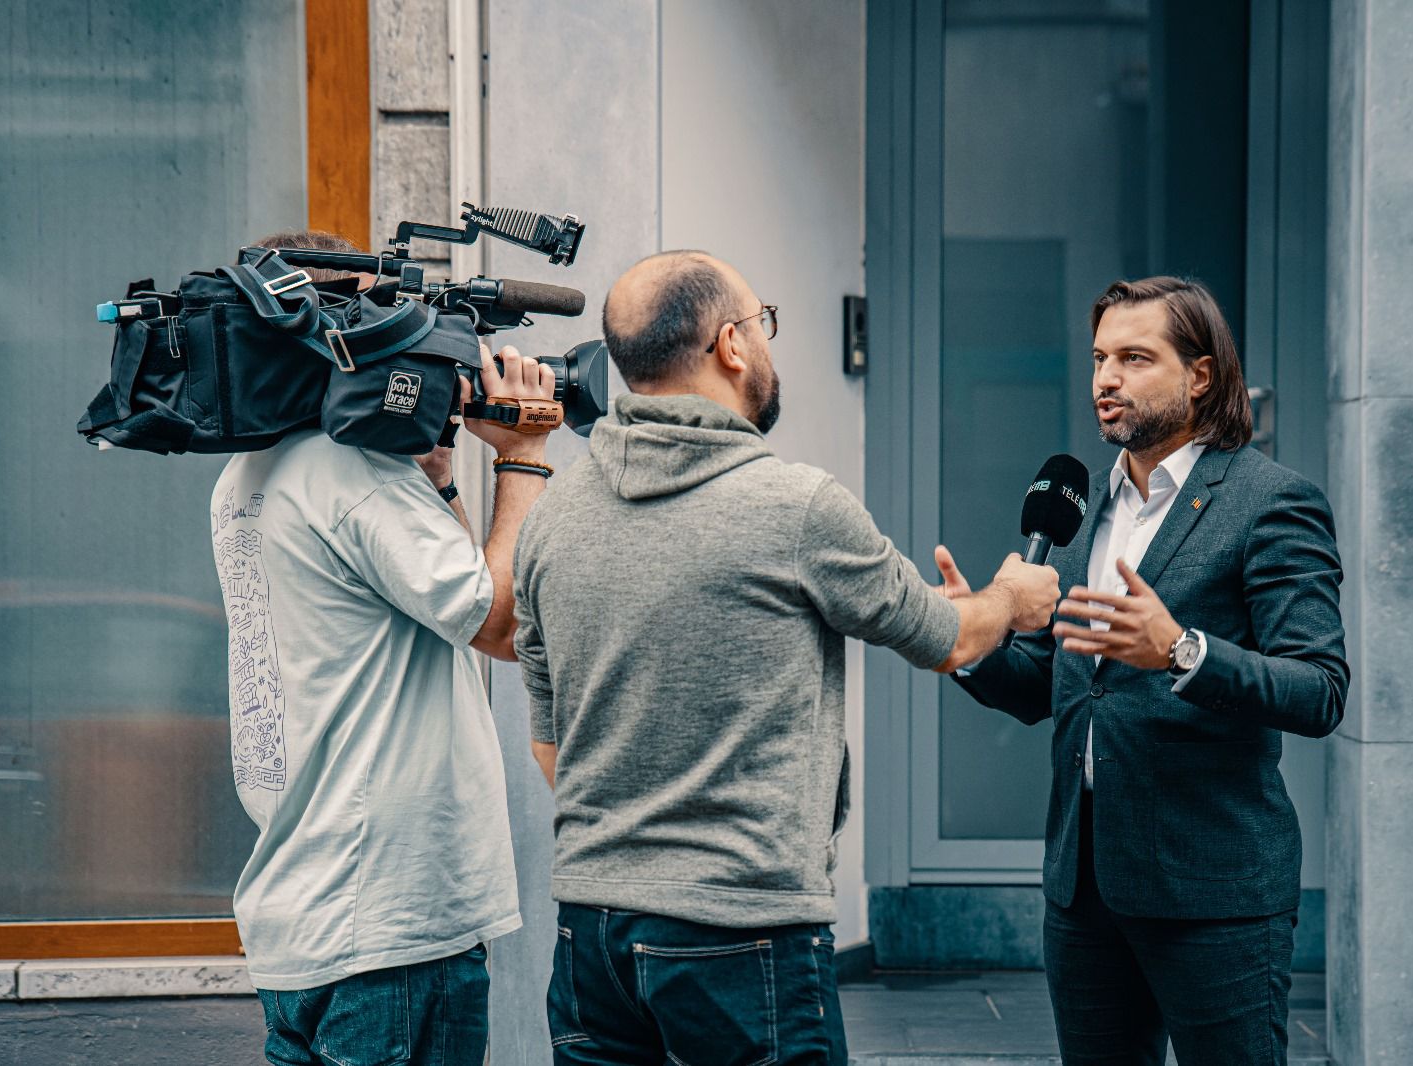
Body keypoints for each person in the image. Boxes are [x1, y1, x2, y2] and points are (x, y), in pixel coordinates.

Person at [511, 250, 1062, 1063]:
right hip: (744, 932)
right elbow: (949, 642)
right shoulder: (796, 506)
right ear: (731, 344)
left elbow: (548, 745)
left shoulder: (553, 517)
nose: (768, 345)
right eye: (762, 323)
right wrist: (1013, 600)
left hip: (590, 935)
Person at [946, 276, 1349, 1066]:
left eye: (1134, 358)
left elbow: (1318, 688)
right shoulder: (1082, 508)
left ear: (1200, 376)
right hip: (1083, 889)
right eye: (1100, 358)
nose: (1106, 379)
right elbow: (1050, 687)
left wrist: (1182, 650)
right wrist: (970, 644)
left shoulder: (1272, 504)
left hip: (1215, 894)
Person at [210, 230, 556, 1066]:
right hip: (389, 930)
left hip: (306, 914)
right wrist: (524, 460)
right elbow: (501, 628)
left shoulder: (250, 474)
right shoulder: (352, 472)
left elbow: (453, 604)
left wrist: (438, 478)